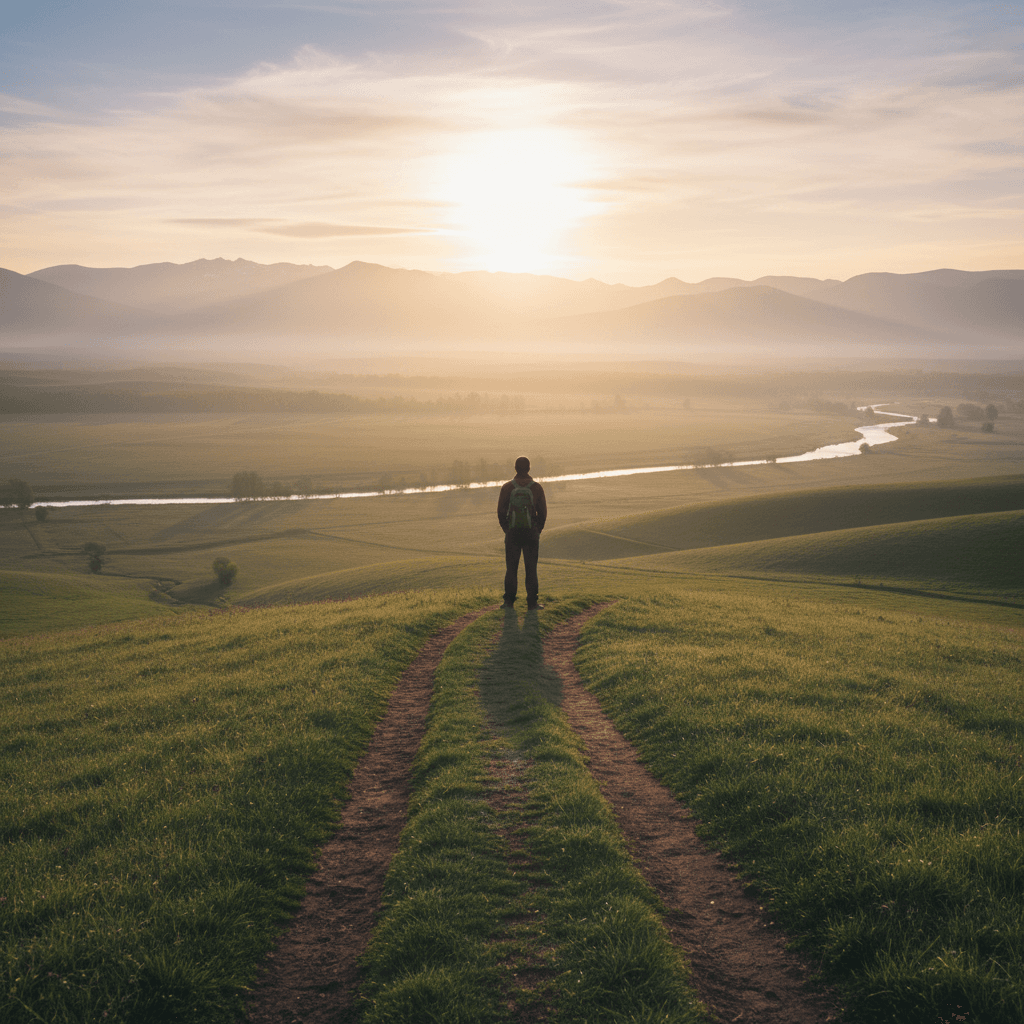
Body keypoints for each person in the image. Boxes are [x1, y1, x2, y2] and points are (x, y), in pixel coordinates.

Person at [497, 456, 547, 609]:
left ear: (515, 468)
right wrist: (537, 530)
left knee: (511, 568)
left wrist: (507, 529)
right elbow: (543, 513)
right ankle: (532, 602)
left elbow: (500, 512)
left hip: (512, 534)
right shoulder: (536, 488)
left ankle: (508, 602)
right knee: (531, 568)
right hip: (531, 534)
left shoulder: (507, 487)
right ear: (529, 468)